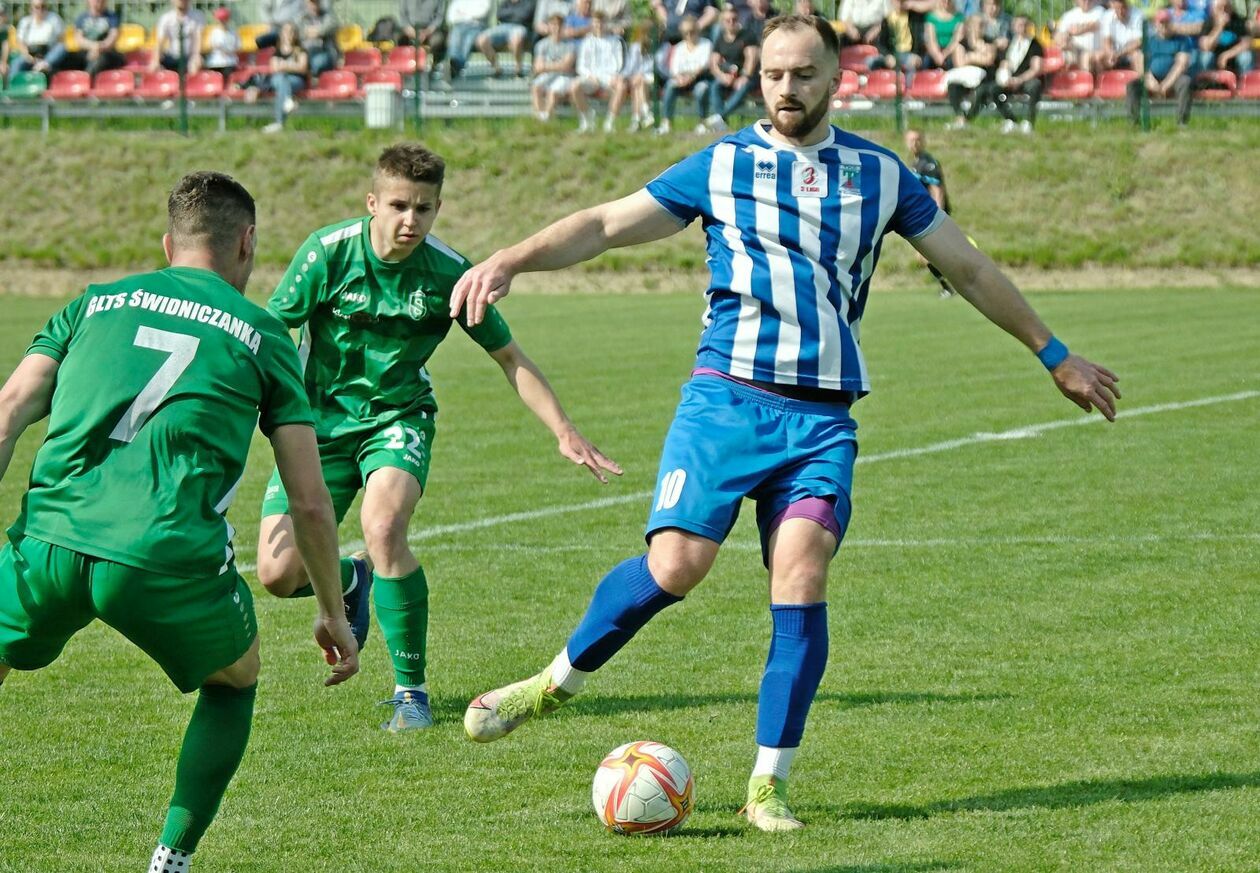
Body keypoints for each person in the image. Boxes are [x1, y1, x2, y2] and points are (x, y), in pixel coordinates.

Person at [451, 13, 1120, 832]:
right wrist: (509, 258)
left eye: (804, 74)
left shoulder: (880, 175)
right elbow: (604, 222)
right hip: (725, 404)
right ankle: (553, 683)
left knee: (800, 573)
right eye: (773, 73)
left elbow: (969, 267)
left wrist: (1054, 353)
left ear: (837, 77)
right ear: (756, 74)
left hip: (821, 420)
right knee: (676, 568)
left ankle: (768, 783)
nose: (787, 88)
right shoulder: (724, 163)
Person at [0, 171, 359, 872]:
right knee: (236, 678)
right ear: (247, 243)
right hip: (162, 557)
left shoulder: (92, 303)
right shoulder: (263, 335)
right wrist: (331, 608)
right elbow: (310, 501)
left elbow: (9, 406)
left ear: (169, 243)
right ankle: (171, 857)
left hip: (47, 538)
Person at [256, 144, 620, 733]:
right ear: (372, 202)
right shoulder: (327, 254)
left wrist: (564, 429)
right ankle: (352, 579)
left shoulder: (452, 273)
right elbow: (274, 333)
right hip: (317, 426)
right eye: (398, 205)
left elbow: (510, 357)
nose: (410, 220)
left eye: (423, 209)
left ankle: (410, 693)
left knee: (383, 528)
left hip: (398, 421)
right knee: (277, 576)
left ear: (437, 208)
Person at [904, 127, 957, 297]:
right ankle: (950, 285)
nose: (915, 143)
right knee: (924, 257)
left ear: (924, 141)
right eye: (911, 140)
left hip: (931, 216)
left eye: (918, 139)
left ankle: (951, 286)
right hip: (921, 216)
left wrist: (938, 216)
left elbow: (937, 191)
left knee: (927, 256)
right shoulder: (915, 164)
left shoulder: (928, 163)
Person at [1127, 9, 1194, 124]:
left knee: (1186, 82)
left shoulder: (1182, 40)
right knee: (1132, 85)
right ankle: (1134, 122)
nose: (1164, 25)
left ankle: (1182, 122)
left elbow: (1181, 64)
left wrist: (1166, 84)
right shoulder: (1149, 41)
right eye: (1161, 22)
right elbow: (1140, 62)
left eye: (1167, 22)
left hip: (1174, 78)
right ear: (1155, 24)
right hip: (1152, 78)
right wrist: (1149, 80)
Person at [702, 2, 759, 133]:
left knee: (744, 86)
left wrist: (745, 76)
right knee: (715, 85)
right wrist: (722, 76)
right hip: (727, 76)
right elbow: (714, 62)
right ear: (723, 21)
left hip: (748, 76)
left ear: (738, 19)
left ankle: (719, 117)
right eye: (728, 20)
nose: (731, 22)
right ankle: (722, 122)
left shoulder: (747, 35)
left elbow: (752, 58)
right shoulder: (720, 38)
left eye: (734, 19)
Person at [657, 13, 712, 134]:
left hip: (700, 79)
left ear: (697, 30)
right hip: (682, 79)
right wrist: (679, 78)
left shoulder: (706, 44)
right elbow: (674, 69)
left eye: (691, 31)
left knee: (701, 90)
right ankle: (666, 122)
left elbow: (703, 65)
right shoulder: (679, 47)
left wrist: (690, 76)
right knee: (670, 86)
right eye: (685, 32)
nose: (689, 35)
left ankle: (702, 122)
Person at [570, 11, 624, 132]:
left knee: (621, 86)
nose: (599, 25)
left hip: (610, 77)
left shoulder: (616, 40)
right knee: (574, 86)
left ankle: (610, 122)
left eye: (601, 22)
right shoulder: (587, 42)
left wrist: (615, 76)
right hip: (592, 78)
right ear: (592, 24)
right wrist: (590, 75)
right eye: (596, 22)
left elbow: (620, 63)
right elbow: (581, 66)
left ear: (605, 23)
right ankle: (586, 119)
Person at [54, 0, 125, 78]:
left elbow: (112, 38)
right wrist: (93, 47)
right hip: (86, 52)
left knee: (100, 60)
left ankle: (86, 81)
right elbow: (79, 39)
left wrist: (98, 48)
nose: (97, 2)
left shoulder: (112, 17)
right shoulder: (82, 18)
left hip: (106, 53)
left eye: (100, 0)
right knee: (65, 58)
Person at [607, 17, 655, 131]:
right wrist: (621, 76)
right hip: (637, 79)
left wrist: (641, 75)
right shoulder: (636, 48)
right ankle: (642, 116)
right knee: (636, 83)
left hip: (653, 78)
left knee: (639, 81)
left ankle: (639, 118)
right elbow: (629, 68)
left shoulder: (658, 47)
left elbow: (655, 67)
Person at [262, 20, 307, 133]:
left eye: (291, 32)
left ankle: (279, 123)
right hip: (278, 79)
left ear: (295, 34)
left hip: (296, 80)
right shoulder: (277, 51)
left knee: (283, 84)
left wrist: (284, 65)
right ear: (282, 34)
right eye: (286, 32)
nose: (288, 34)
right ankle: (288, 101)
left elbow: (302, 68)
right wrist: (292, 65)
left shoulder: (301, 50)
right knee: (281, 80)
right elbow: (275, 68)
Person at [530, 12, 575, 120]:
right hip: (548, 75)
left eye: (559, 25)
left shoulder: (570, 45)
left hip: (564, 76)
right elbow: (537, 67)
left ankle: (546, 120)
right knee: (535, 87)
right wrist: (558, 65)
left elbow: (566, 66)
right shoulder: (541, 44)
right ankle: (541, 118)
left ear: (563, 27)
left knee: (553, 91)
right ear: (549, 26)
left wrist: (546, 66)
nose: (557, 28)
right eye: (554, 24)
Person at [475, 0, 535, 78]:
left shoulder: (528, 2)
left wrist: (510, 13)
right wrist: (516, 13)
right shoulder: (506, 2)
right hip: (503, 26)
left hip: (520, 26)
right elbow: (499, 15)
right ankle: (496, 67)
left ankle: (518, 69)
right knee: (481, 39)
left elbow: (525, 15)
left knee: (516, 39)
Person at [10, 0, 64, 77]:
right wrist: (28, 56)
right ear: (31, 8)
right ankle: (12, 84)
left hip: (48, 53)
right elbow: (20, 43)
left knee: (62, 48)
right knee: (16, 63)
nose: (40, 10)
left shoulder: (54, 19)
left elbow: (60, 39)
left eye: (43, 6)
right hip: (30, 54)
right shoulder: (25, 22)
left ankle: (43, 65)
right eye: (37, 7)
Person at [1197, 0, 1252, 74]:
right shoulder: (1209, 22)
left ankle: (1245, 83)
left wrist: (1226, 55)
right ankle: (1205, 84)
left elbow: (1246, 44)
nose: (1224, 11)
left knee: (1245, 57)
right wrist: (1218, 27)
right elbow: (1205, 46)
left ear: (1231, 8)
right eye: (1220, 8)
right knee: (1205, 57)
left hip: (1233, 57)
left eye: (1226, 8)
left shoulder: (1238, 21)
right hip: (1214, 58)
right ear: (1215, 10)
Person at [151, 0, 204, 75]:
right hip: (172, 56)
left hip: (188, 56)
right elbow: (160, 42)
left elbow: (198, 38)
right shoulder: (166, 18)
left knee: (196, 65)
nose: (182, 2)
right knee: (155, 67)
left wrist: (196, 56)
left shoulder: (197, 16)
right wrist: (155, 61)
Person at [398, 0, 448, 74]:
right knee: (398, 38)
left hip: (430, 29)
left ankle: (433, 67)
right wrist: (410, 30)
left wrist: (427, 32)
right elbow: (402, 16)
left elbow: (439, 17)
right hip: (410, 28)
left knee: (438, 40)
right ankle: (404, 67)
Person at [1054, 0, 1103, 73]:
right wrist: (1062, 38)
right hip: (1074, 52)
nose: (1086, 1)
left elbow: (1095, 25)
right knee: (1064, 46)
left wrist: (1079, 30)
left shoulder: (1100, 11)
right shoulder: (1068, 15)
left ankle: (1084, 79)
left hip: (1093, 54)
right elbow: (1058, 35)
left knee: (1086, 56)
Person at [446, 0, 491, 78]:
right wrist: (469, 15)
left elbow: (483, 12)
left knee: (468, 40)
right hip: (459, 25)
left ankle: (457, 66)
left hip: (477, 26)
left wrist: (463, 15)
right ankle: (452, 62)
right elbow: (451, 16)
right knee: (455, 38)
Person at [1098, 0, 1144, 73]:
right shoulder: (1107, 16)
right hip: (1115, 53)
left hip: (1130, 52)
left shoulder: (1138, 15)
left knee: (1138, 56)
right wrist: (1111, 53)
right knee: (1098, 57)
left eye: (1123, 8)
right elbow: (1106, 41)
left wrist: (1119, 54)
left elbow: (1138, 42)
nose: (1120, 12)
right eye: (1117, 9)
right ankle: (1102, 83)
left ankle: (1140, 82)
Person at [297, 0, 338, 77]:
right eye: (311, 3)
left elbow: (331, 26)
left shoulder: (326, 16)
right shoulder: (301, 18)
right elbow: (298, 33)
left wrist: (317, 32)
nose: (314, 6)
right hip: (307, 52)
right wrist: (314, 32)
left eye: (316, 2)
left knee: (318, 61)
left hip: (324, 52)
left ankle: (311, 75)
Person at [923, 0, 965, 68]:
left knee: (959, 48)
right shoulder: (931, 17)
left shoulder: (959, 17)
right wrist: (937, 54)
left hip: (950, 50)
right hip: (935, 50)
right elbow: (930, 39)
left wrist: (944, 54)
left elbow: (956, 40)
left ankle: (960, 75)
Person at [203, 6, 240, 76]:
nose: (222, 22)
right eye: (220, 20)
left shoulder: (233, 33)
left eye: (224, 19)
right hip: (215, 62)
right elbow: (208, 46)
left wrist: (229, 50)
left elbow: (238, 47)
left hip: (230, 62)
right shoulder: (214, 32)